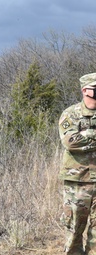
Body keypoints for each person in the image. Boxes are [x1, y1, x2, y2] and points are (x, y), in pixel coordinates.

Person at [59, 72, 96, 254]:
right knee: (74, 230)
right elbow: (70, 142)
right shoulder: (71, 114)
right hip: (78, 182)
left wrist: (86, 137)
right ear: (85, 90)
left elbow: (78, 140)